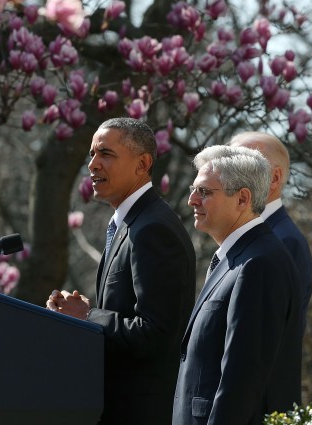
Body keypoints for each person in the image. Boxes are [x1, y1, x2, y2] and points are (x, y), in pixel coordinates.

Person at [46, 117, 196, 425]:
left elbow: (155, 332)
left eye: (106, 154)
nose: (93, 165)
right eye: (92, 154)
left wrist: (88, 316)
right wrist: (80, 316)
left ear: (142, 164)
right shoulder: (130, 223)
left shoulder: (153, 228)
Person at [173, 145, 302, 425]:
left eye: (204, 192)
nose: (191, 200)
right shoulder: (239, 257)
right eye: (195, 189)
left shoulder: (259, 263)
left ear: (243, 198)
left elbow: (241, 380)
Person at [228, 131, 312, 333]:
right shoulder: (242, 231)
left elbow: (267, 335)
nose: (227, 175)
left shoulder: (285, 241)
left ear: (274, 178)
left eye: (242, 165)